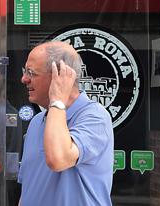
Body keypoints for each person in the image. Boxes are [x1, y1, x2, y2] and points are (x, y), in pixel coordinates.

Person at [18, 41, 114, 205]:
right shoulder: (36, 122)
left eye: (31, 73)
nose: (24, 79)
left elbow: (58, 159)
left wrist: (57, 100)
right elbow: (29, 188)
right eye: (24, 71)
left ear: (60, 75)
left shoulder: (94, 117)